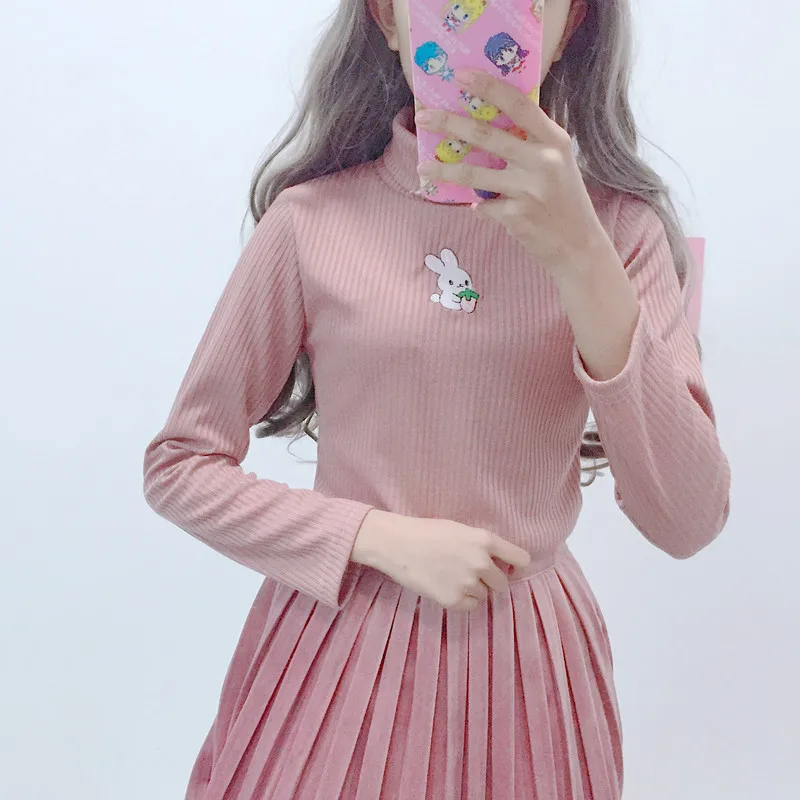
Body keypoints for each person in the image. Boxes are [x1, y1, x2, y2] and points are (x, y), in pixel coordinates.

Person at [142, 1, 731, 797]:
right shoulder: (309, 222)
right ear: (389, 19)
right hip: (336, 653)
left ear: (572, 25)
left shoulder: (625, 235)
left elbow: (689, 520)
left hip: (530, 669)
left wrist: (582, 257)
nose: (482, 13)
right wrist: (374, 536)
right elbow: (180, 465)